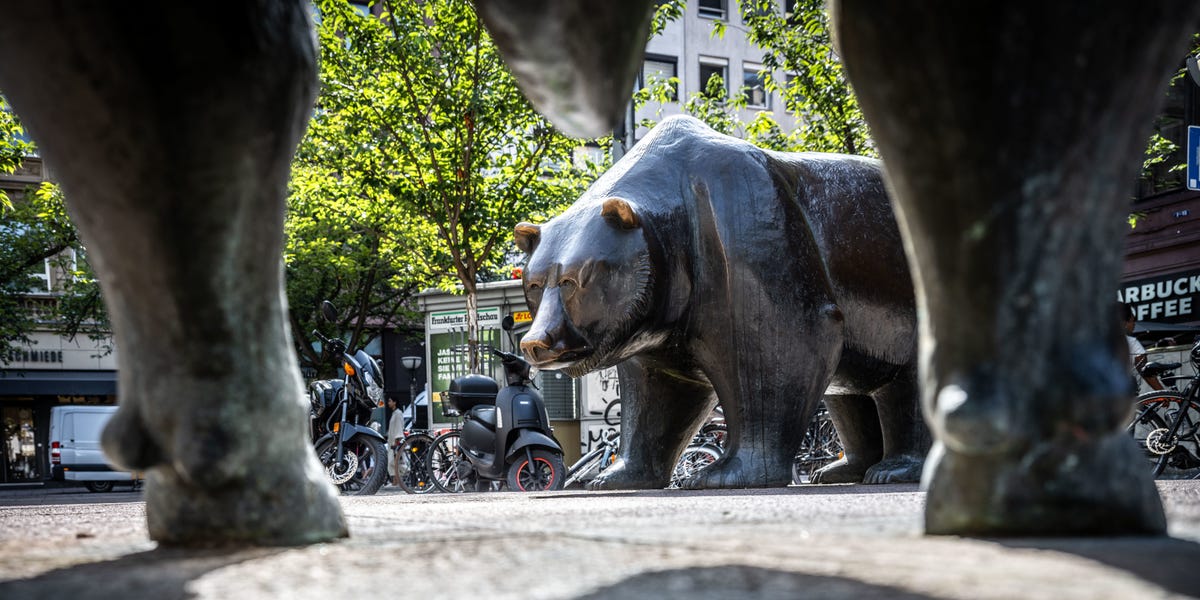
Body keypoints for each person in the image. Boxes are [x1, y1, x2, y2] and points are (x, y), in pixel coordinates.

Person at [1122, 303, 1163, 391]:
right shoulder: (1131, 343)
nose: (1134, 324)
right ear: (1124, 323)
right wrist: (1164, 394)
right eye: (1132, 320)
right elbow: (1146, 372)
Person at [386, 396, 408, 486]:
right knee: (393, 462)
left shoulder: (398, 413)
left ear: (394, 402)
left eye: (390, 401)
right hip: (392, 442)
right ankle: (395, 481)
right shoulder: (394, 413)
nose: (388, 403)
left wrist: (396, 442)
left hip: (395, 442)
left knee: (395, 462)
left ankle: (397, 481)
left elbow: (399, 428)